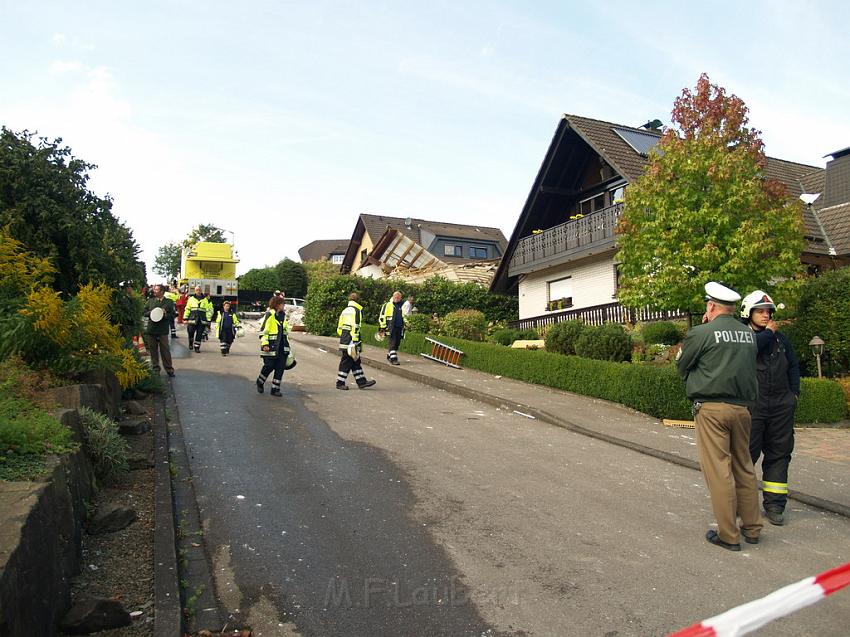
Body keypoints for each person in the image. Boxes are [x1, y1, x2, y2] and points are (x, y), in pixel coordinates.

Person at [676, 282, 762, 551]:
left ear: (711, 306)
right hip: (743, 410)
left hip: (712, 409)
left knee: (719, 470)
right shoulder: (748, 334)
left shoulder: (701, 332)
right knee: (745, 467)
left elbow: (681, 365)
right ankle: (753, 528)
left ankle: (729, 534)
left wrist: (701, 331)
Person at [740, 290, 800, 526]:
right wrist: (769, 333)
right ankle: (739, 503)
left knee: (779, 455)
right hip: (753, 407)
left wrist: (794, 394)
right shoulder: (744, 337)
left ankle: (775, 505)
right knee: (746, 456)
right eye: (760, 311)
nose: (766, 316)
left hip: (781, 407)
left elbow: (793, 366)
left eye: (768, 312)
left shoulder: (781, 340)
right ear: (748, 313)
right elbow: (752, 348)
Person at [336, 292, 376, 390]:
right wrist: (355, 341)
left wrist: (343, 336)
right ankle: (340, 382)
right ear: (358, 300)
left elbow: (339, 327)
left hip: (344, 337)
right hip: (352, 339)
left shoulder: (345, 310)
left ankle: (361, 381)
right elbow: (356, 326)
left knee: (355, 360)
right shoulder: (357, 310)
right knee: (347, 361)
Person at [256, 295, 290, 397]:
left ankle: (275, 389)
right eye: (283, 303)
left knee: (280, 368)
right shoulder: (270, 315)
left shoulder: (283, 316)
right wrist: (265, 344)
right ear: (277, 305)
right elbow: (263, 332)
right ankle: (260, 381)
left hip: (282, 347)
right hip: (270, 347)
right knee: (269, 366)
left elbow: (285, 332)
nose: (284, 306)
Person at [143, 284, 176, 377]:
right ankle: (155, 368)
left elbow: (173, 315)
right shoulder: (150, 301)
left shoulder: (169, 302)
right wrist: (152, 312)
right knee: (153, 349)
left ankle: (169, 369)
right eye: (154, 289)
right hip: (152, 328)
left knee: (165, 350)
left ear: (162, 291)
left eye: (156, 290)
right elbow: (144, 312)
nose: (154, 291)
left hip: (163, 329)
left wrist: (165, 314)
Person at [378, 291, 405, 365]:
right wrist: (382, 327)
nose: (396, 298)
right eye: (395, 297)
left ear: (400, 298)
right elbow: (382, 316)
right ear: (393, 297)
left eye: (398, 297)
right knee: (392, 343)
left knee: (397, 343)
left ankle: (389, 355)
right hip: (390, 327)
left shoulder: (402, 305)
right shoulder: (387, 305)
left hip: (399, 327)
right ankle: (394, 359)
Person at [183, 285, 212, 352]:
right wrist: (185, 318)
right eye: (197, 290)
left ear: (201, 290)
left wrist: (208, 320)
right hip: (192, 318)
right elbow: (187, 309)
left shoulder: (205, 300)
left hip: (202, 319)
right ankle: (190, 343)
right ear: (195, 291)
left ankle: (197, 347)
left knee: (199, 334)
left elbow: (208, 310)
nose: (198, 291)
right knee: (190, 332)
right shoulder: (191, 299)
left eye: (199, 290)